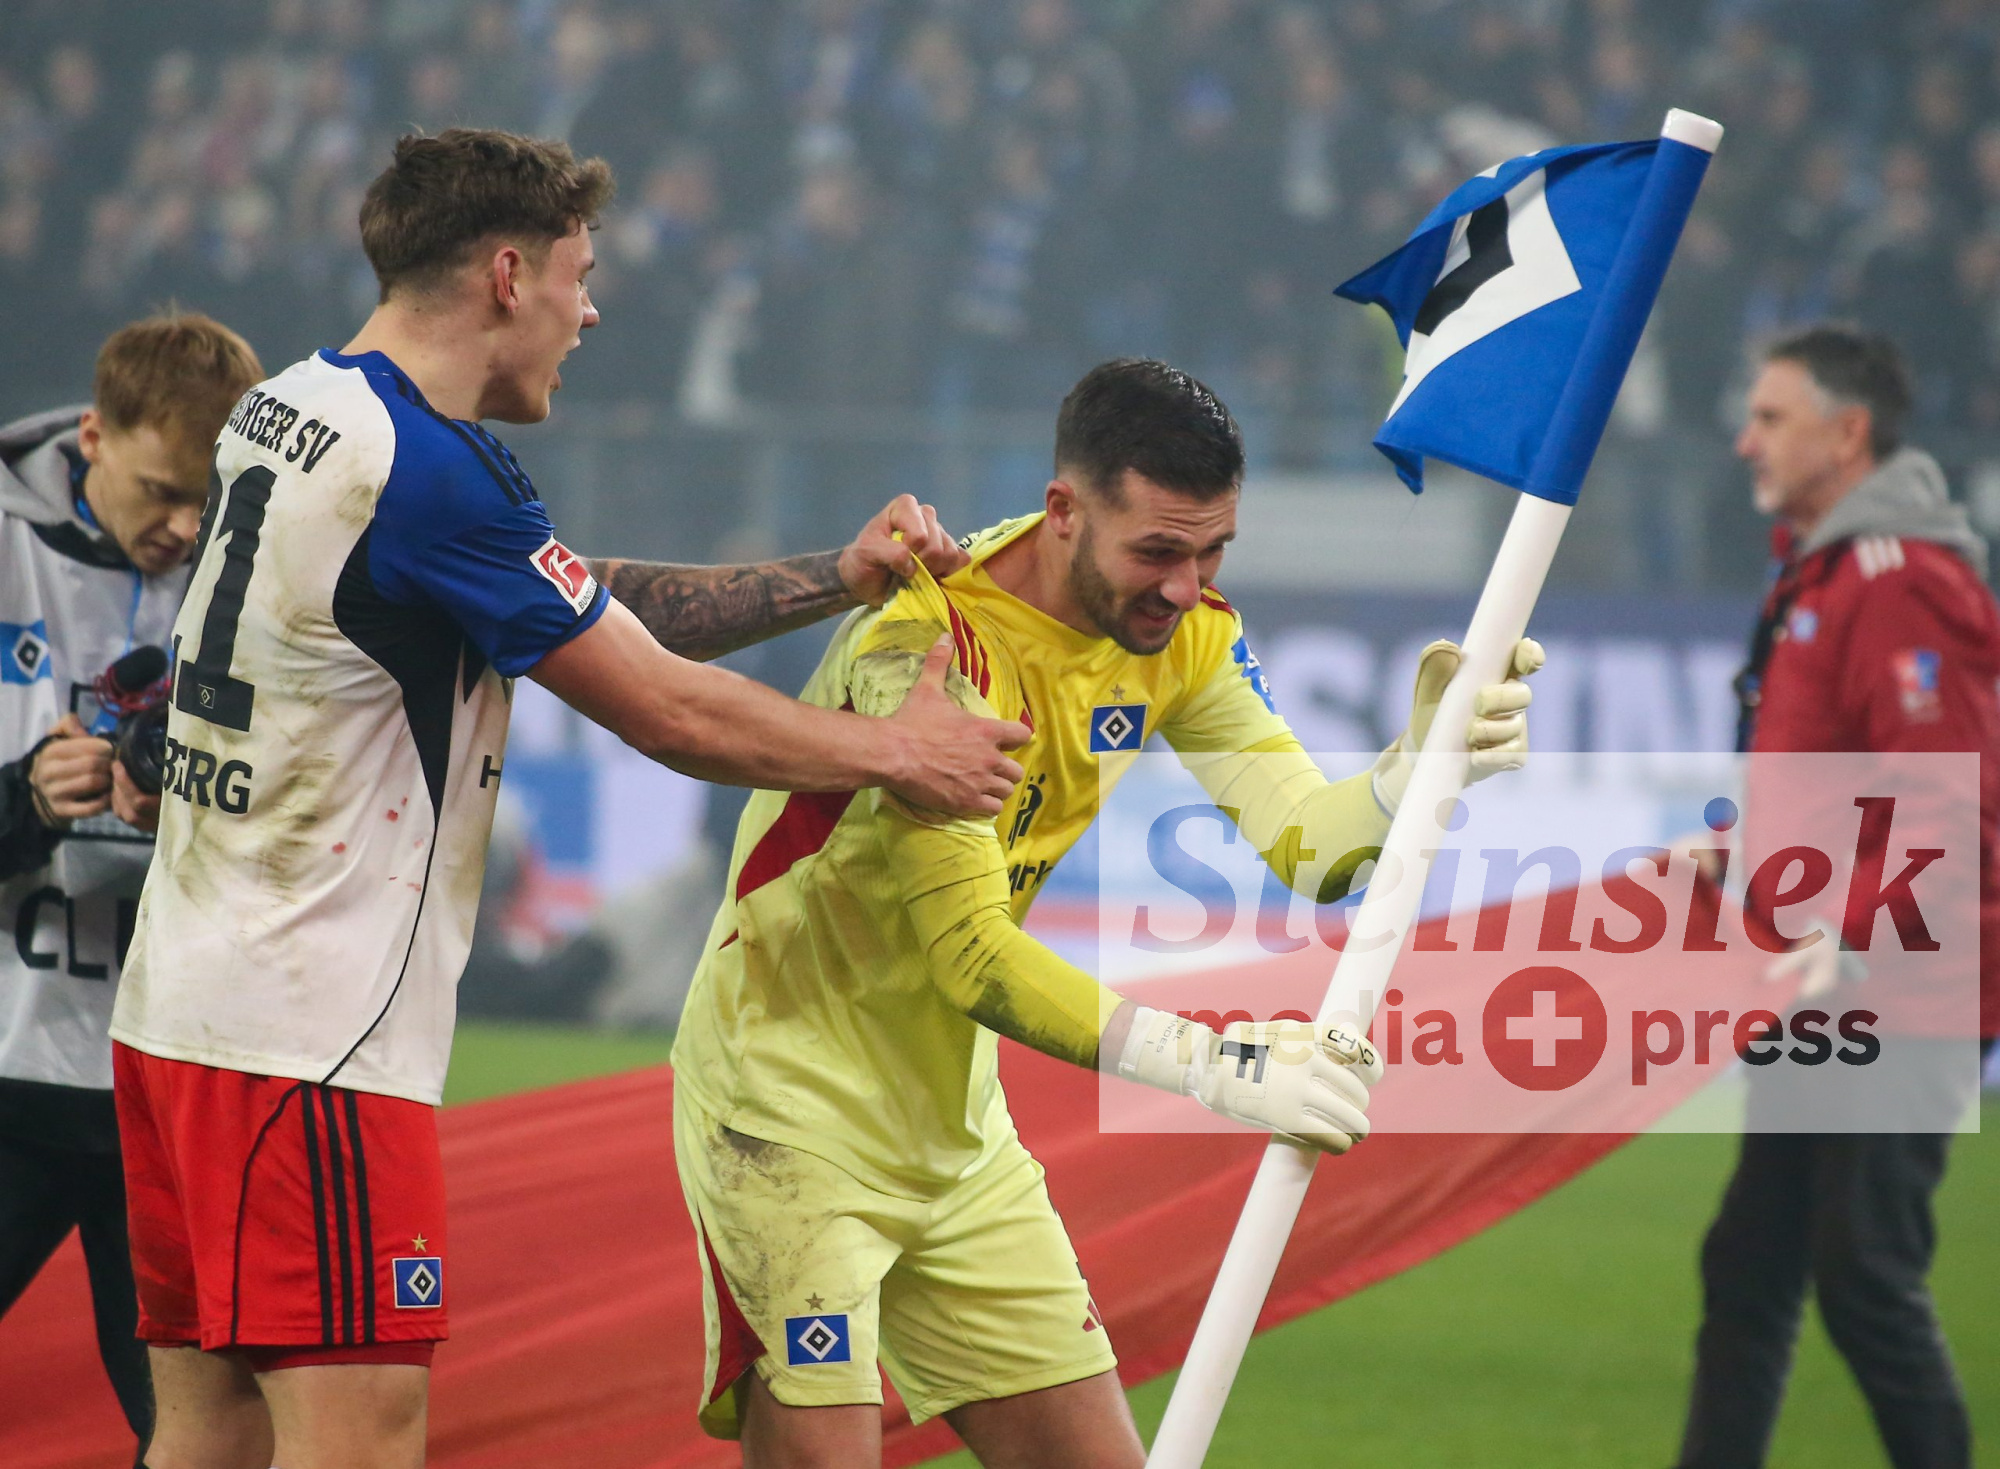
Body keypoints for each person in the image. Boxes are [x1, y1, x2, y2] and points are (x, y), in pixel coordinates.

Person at [107, 128, 1029, 1469]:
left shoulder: (293, 408)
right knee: (356, 1438)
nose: (587, 313)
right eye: (578, 277)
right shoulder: (431, 471)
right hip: (310, 1044)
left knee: (207, 1433)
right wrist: (899, 753)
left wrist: (831, 578)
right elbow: (664, 709)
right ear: (506, 275)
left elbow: (574, 602)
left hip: (178, 1011)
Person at [671, 358, 1544, 1466]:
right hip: (785, 1115)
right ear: (1063, 511)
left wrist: (1413, 769)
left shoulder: (1186, 632)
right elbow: (973, 957)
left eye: (1213, 551)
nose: (1185, 586)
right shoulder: (933, 654)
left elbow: (1310, 847)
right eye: (1158, 551)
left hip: (954, 1132)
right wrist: (1218, 1064)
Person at [1676, 324, 2000, 1469]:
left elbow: (1941, 802)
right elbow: (1831, 786)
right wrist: (1738, 855)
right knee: (1750, 1265)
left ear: (1846, 431)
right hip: (1820, 984)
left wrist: (1844, 925)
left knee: (1861, 1269)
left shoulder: (1899, 580)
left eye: (1769, 417)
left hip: (1903, 990)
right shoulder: (1825, 571)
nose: (1743, 439)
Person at [0, 311, 264, 1463]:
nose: (185, 527)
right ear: (94, 436)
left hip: (170, 1082)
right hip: (8, 1062)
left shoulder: (256, 568)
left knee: (206, 1434)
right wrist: (23, 798)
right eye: (162, 491)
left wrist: (198, 811)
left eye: (209, 500)